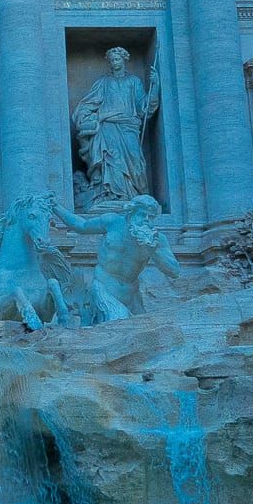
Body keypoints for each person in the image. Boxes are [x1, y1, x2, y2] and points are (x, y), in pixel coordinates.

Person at [53, 195, 181, 322]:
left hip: (132, 296)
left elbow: (174, 271)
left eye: (151, 217)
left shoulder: (157, 239)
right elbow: (81, 226)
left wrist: (153, 250)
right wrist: (55, 206)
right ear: (131, 212)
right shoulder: (112, 222)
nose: (147, 220)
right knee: (119, 324)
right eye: (142, 215)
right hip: (104, 289)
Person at [72, 47, 159, 207]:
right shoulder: (103, 83)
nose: (114, 62)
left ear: (124, 60)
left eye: (117, 59)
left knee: (135, 162)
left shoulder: (134, 82)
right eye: (112, 60)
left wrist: (155, 88)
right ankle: (112, 195)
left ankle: (133, 194)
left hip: (128, 127)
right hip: (107, 128)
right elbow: (87, 105)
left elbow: (143, 108)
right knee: (111, 160)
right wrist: (86, 117)